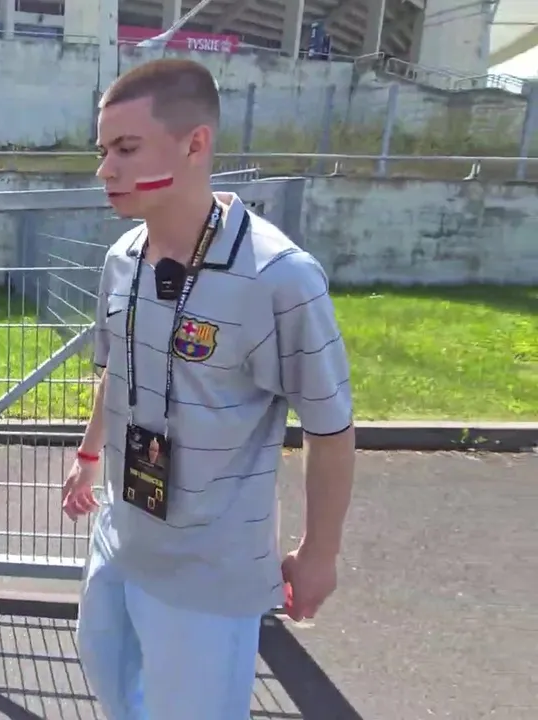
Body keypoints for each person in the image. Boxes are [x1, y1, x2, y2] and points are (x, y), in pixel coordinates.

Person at [62, 58, 357, 720]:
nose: (105, 169)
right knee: (111, 682)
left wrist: (319, 553)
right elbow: (117, 369)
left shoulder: (280, 278)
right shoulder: (121, 259)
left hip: (209, 571)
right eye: (103, 150)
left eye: (126, 149)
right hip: (121, 535)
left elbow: (331, 429)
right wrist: (88, 454)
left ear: (196, 144)